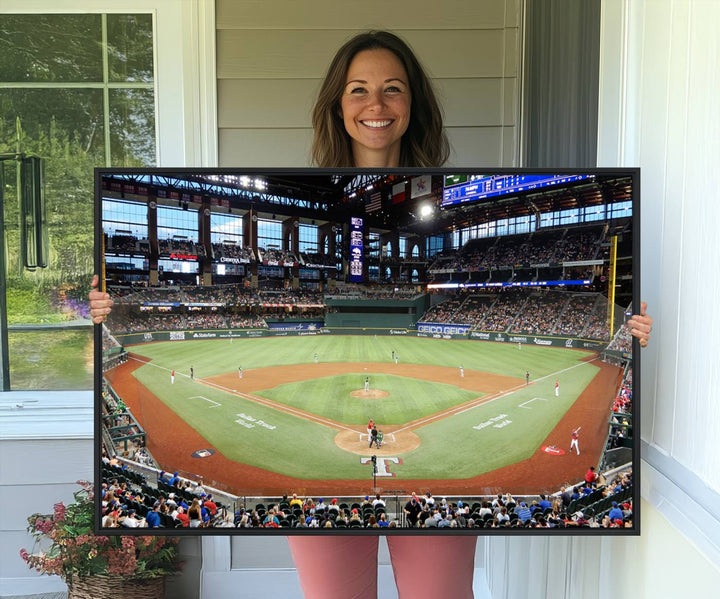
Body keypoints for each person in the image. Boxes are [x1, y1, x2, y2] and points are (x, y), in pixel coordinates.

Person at [88, 29, 654, 599]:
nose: (375, 105)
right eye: (358, 89)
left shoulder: (440, 188)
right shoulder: (316, 188)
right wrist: (98, 316)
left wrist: (631, 332)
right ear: (338, 104)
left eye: (393, 89)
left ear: (413, 105)